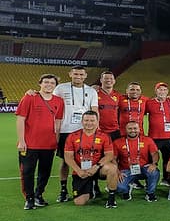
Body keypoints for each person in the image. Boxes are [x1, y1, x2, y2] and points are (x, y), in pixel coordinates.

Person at [16, 73, 64, 210]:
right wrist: (21, 141)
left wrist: (56, 140)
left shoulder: (59, 101)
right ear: (40, 84)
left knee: (45, 172)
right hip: (29, 144)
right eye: (46, 82)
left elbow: (58, 122)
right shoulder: (30, 97)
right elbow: (20, 119)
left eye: (52, 83)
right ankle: (29, 198)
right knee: (27, 172)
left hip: (48, 144)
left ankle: (38, 194)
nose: (49, 85)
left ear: (55, 86)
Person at [54, 65, 99, 203]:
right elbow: (50, 101)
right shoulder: (60, 88)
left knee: (92, 158)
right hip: (65, 130)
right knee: (66, 161)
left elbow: (95, 110)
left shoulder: (91, 91)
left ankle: (93, 186)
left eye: (81, 74)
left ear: (85, 76)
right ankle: (63, 189)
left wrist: (95, 129)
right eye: (75, 74)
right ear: (70, 74)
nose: (78, 77)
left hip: (85, 131)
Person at [63, 111, 118, 208]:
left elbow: (109, 155)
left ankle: (111, 198)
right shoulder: (72, 136)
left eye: (92, 120)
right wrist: (78, 170)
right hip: (81, 171)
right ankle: (92, 189)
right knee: (79, 202)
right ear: (82, 121)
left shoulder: (104, 136)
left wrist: (96, 167)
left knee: (112, 168)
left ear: (97, 122)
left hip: (98, 169)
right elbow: (68, 157)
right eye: (86, 120)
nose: (89, 123)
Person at [113, 121, 160, 202]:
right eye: (130, 129)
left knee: (154, 172)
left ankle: (150, 193)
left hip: (144, 168)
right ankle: (126, 191)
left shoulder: (147, 140)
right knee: (118, 187)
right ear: (125, 130)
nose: (132, 130)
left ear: (139, 129)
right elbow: (113, 159)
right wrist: (117, 171)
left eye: (135, 128)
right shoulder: (117, 142)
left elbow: (155, 154)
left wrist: (154, 164)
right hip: (126, 170)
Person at [145, 82, 170, 175]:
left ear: (167, 91)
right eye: (160, 89)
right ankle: (149, 179)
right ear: (156, 91)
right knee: (151, 159)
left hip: (168, 137)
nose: (162, 91)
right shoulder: (149, 103)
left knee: (167, 158)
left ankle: (166, 179)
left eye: (165, 90)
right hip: (154, 137)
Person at [95, 71, 122, 140]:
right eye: (106, 78)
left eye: (111, 78)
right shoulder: (94, 94)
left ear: (114, 81)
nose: (108, 80)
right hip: (99, 130)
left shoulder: (118, 95)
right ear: (101, 80)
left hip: (115, 130)